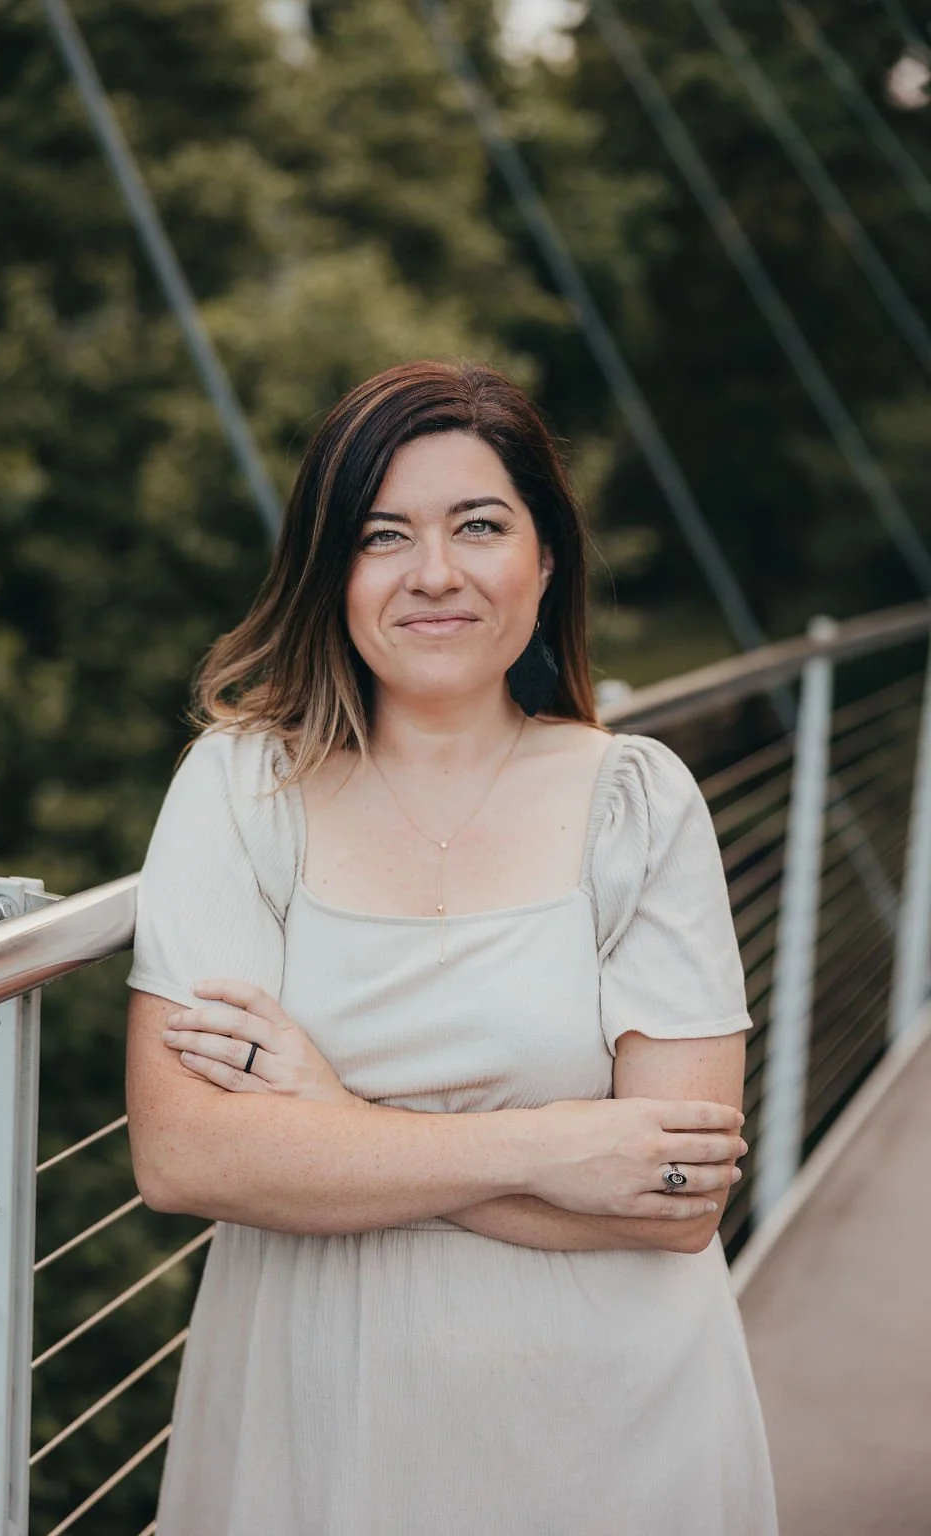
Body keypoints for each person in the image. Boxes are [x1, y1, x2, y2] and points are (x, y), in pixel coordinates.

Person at [125, 360, 778, 1536]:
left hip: (613, 1422)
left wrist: (327, 1122)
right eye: (383, 536)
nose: (434, 573)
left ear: (545, 559)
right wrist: (559, 1148)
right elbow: (186, 1156)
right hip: (316, 1408)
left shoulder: (637, 802)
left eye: (478, 525)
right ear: (333, 573)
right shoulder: (242, 789)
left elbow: (676, 1200)